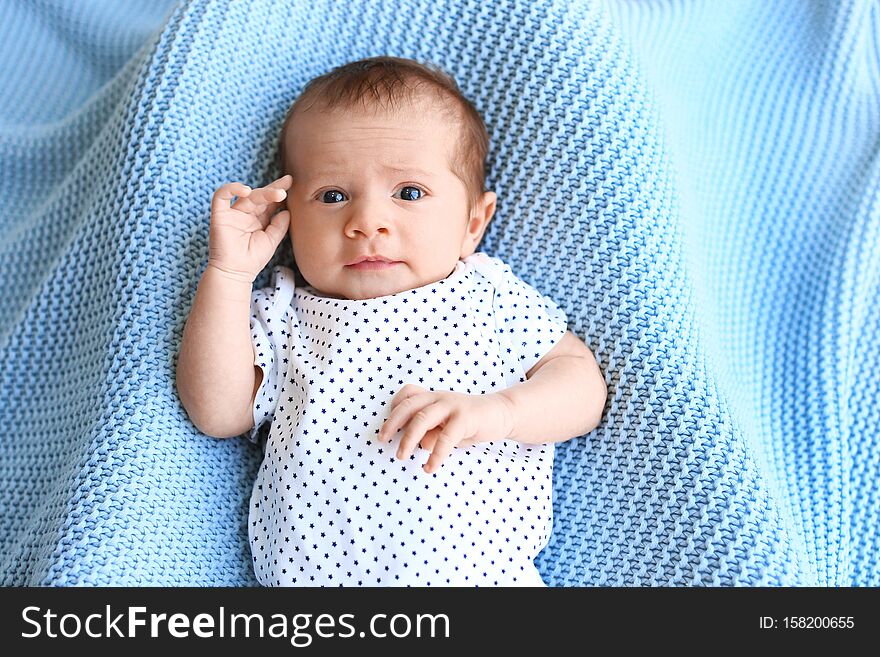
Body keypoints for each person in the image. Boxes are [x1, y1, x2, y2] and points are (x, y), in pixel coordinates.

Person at [176, 56, 607, 586]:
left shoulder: (487, 293)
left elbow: (581, 382)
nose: (367, 222)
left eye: (409, 193)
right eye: (333, 196)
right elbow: (218, 412)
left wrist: (501, 413)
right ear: (291, 221)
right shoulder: (285, 308)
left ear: (473, 222)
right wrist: (228, 272)